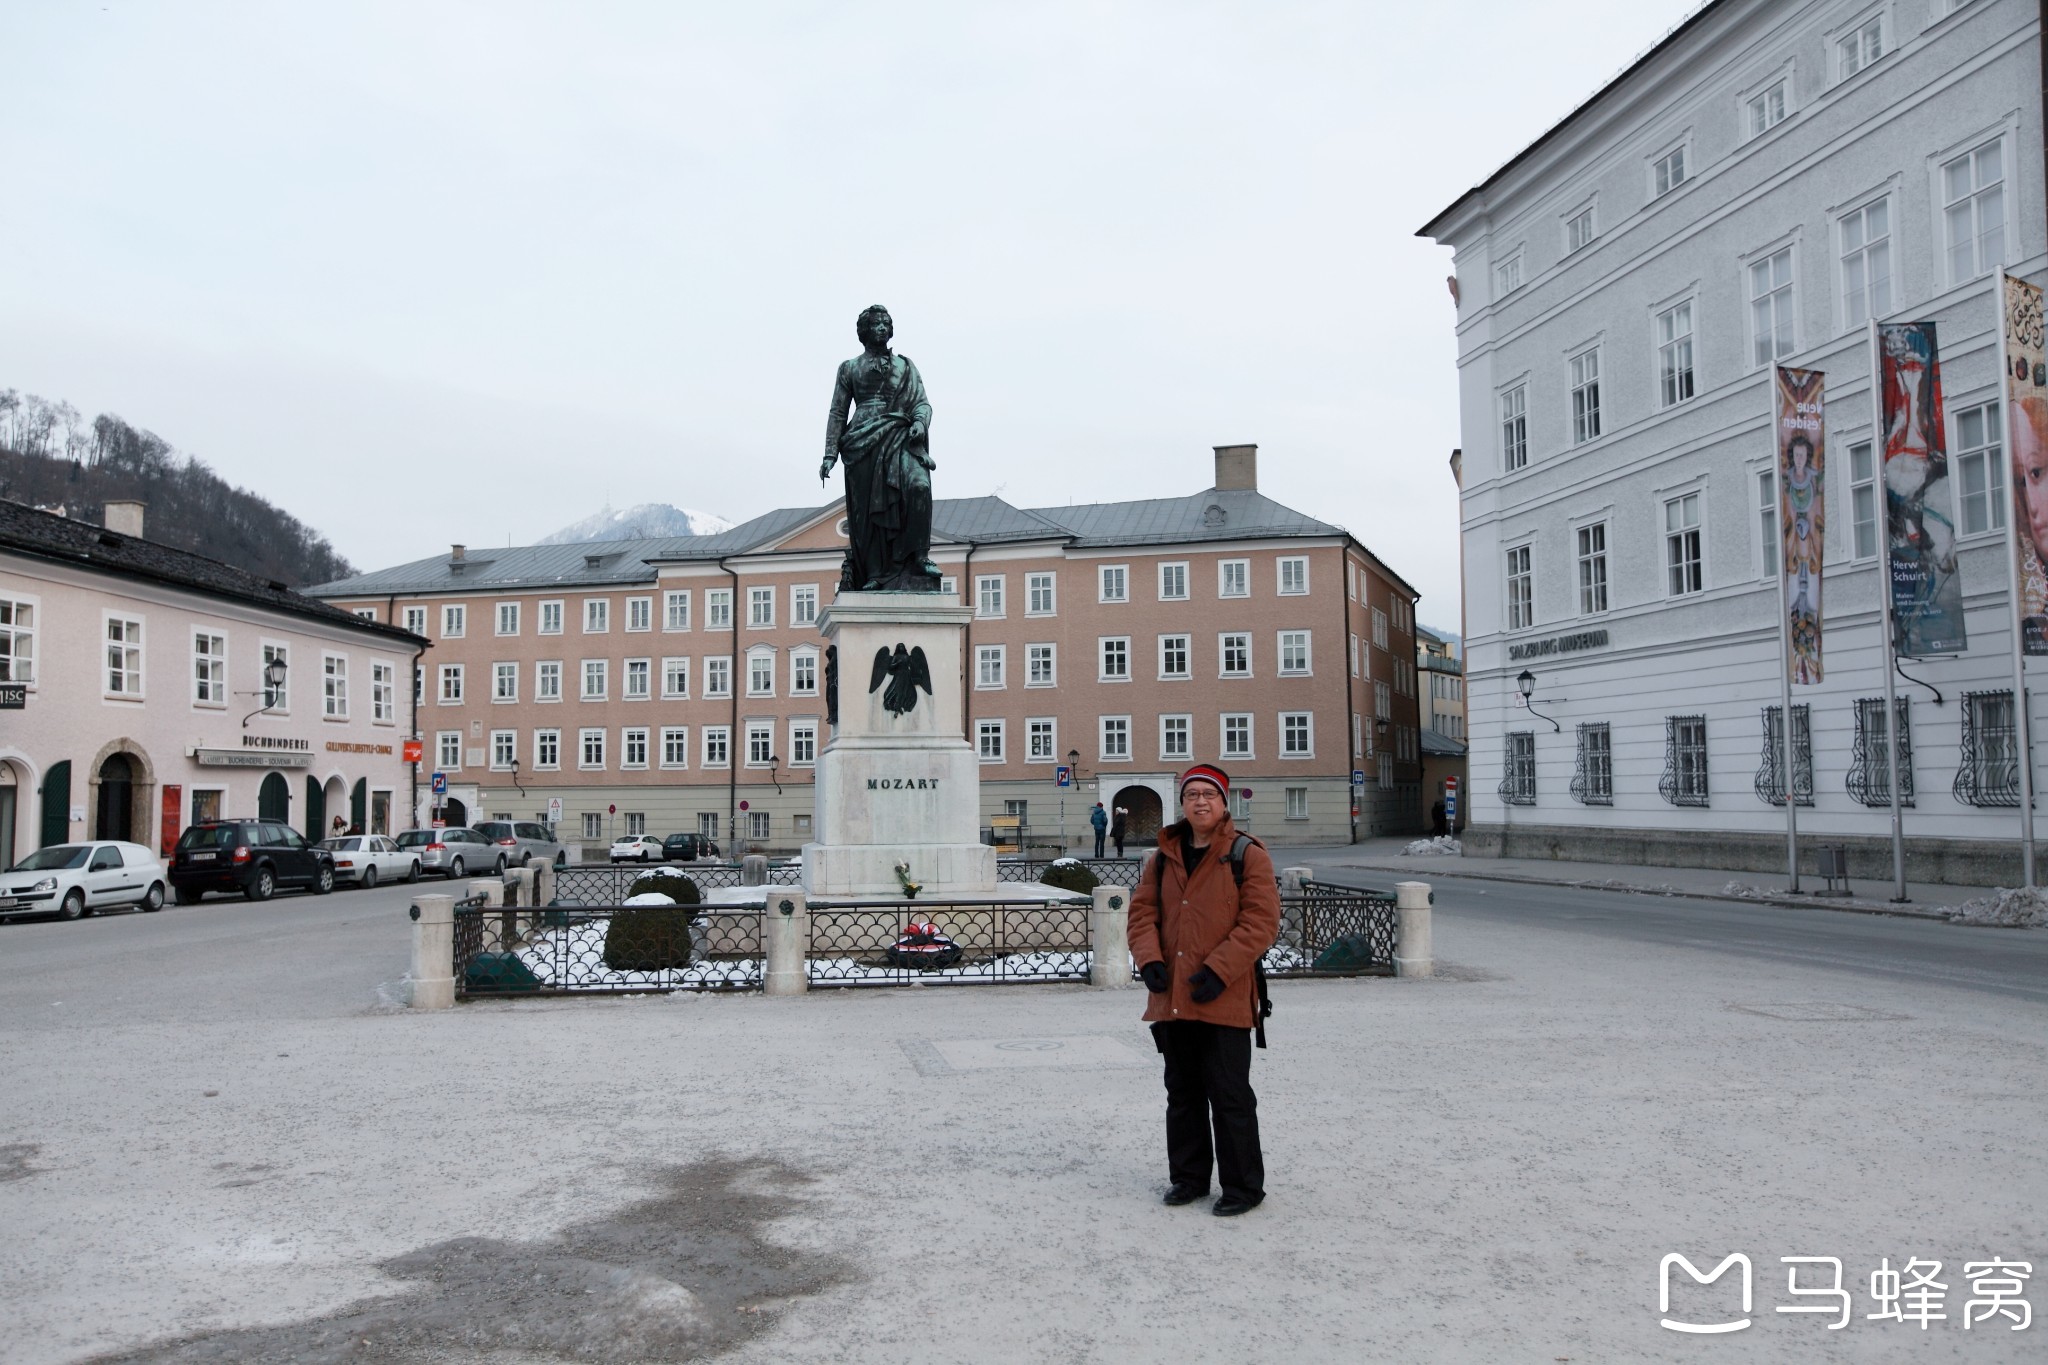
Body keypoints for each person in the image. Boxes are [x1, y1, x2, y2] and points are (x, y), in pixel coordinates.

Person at [1126, 763, 1281, 1217]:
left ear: (1223, 803)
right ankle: (1189, 1178)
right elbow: (1141, 914)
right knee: (1183, 1092)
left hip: (1224, 995)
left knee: (1230, 1094)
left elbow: (1261, 922)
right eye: (1191, 794)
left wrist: (1218, 970)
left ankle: (1242, 1187)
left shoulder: (1247, 854)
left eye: (1208, 795)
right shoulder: (1163, 856)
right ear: (1182, 804)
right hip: (1173, 996)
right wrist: (1149, 959)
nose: (1199, 801)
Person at [820, 305, 943, 592]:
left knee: (919, 486)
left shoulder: (906, 366)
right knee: (868, 512)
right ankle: (876, 571)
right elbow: (838, 412)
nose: (882, 328)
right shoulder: (849, 368)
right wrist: (829, 453)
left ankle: (919, 556)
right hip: (862, 443)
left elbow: (922, 403)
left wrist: (920, 423)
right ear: (864, 331)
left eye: (886, 323)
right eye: (876, 324)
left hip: (901, 435)